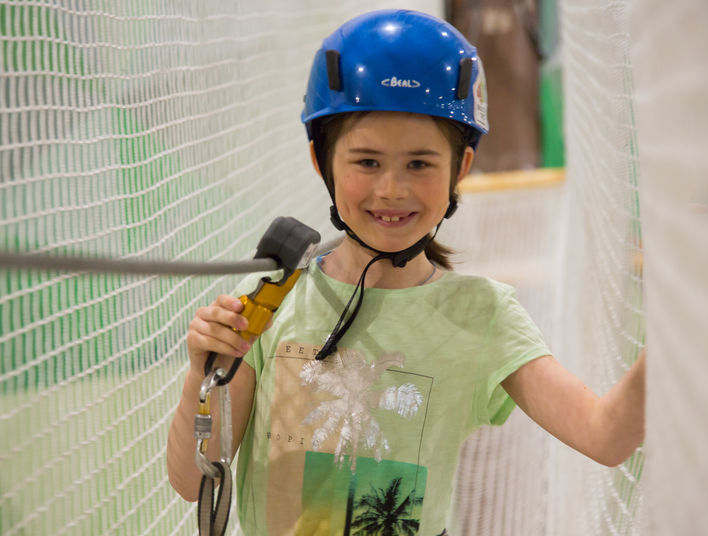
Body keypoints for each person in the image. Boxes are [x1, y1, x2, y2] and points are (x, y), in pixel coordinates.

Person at [167, 9, 646, 535]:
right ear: (320, 160)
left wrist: (682, 322)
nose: (391, 189)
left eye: (419, 163)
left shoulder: (484, 315)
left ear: (460, 168)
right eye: (367, 162)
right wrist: (202, 374)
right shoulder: (269, 300)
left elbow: (605, 436)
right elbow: (194, 482)